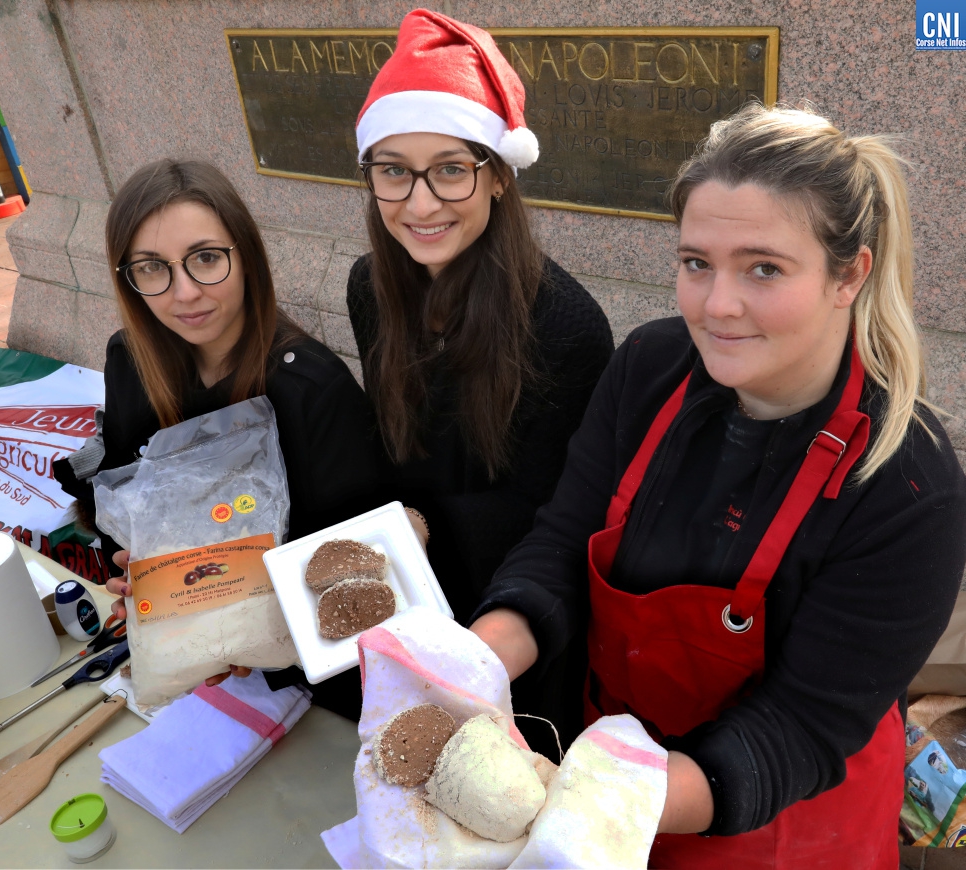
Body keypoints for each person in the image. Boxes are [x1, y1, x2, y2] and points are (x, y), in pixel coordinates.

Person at [470, 103, 966, 867]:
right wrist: (474, 662)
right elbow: (563, 540)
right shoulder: (649, 369)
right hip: (605, 780)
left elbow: (801, 727)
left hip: (780, 828)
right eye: (697, 262)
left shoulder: (908, 485)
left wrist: (612, 804)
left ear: (849, 274)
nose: (717, 305)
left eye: (763, 268)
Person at [347, 9, 613, 754]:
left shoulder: (565, 326)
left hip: (510, 624)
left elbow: (554, 516)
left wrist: (425, 523)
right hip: (404, 594)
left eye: (450, 169)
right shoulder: (370, 287)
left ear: (497, 176)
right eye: (393, 170)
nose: (420, 203)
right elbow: (391, 448)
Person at [55, 158, 380, 690]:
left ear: (246, 256)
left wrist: (249, 626)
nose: (184, 292)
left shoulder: (312, 387)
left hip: (309, 677)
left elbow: (352, 562)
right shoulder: (131, 362)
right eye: (152, 267)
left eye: (206, 258)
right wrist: (135, 571)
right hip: (184, 657)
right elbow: (120, 497)